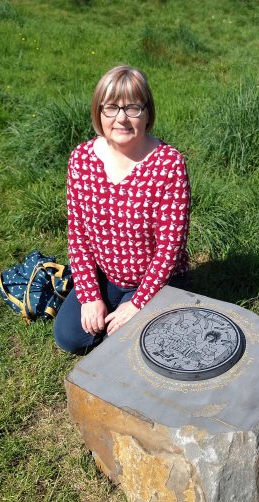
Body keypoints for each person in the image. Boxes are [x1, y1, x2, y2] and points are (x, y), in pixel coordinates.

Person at [54, 65, 191, 354]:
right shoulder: (81, 159)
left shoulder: (169, 165)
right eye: (111, 108)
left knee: (123, 347)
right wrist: (90, 295)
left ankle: (134, 321)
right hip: (107, 274)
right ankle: (111, 312)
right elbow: (77, 233)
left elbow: (170, 248)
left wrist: (138, 303)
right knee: (69, 337)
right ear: (98, 112)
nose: (121, 118)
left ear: (147, 112)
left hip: (158, 279)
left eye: (132, 108)